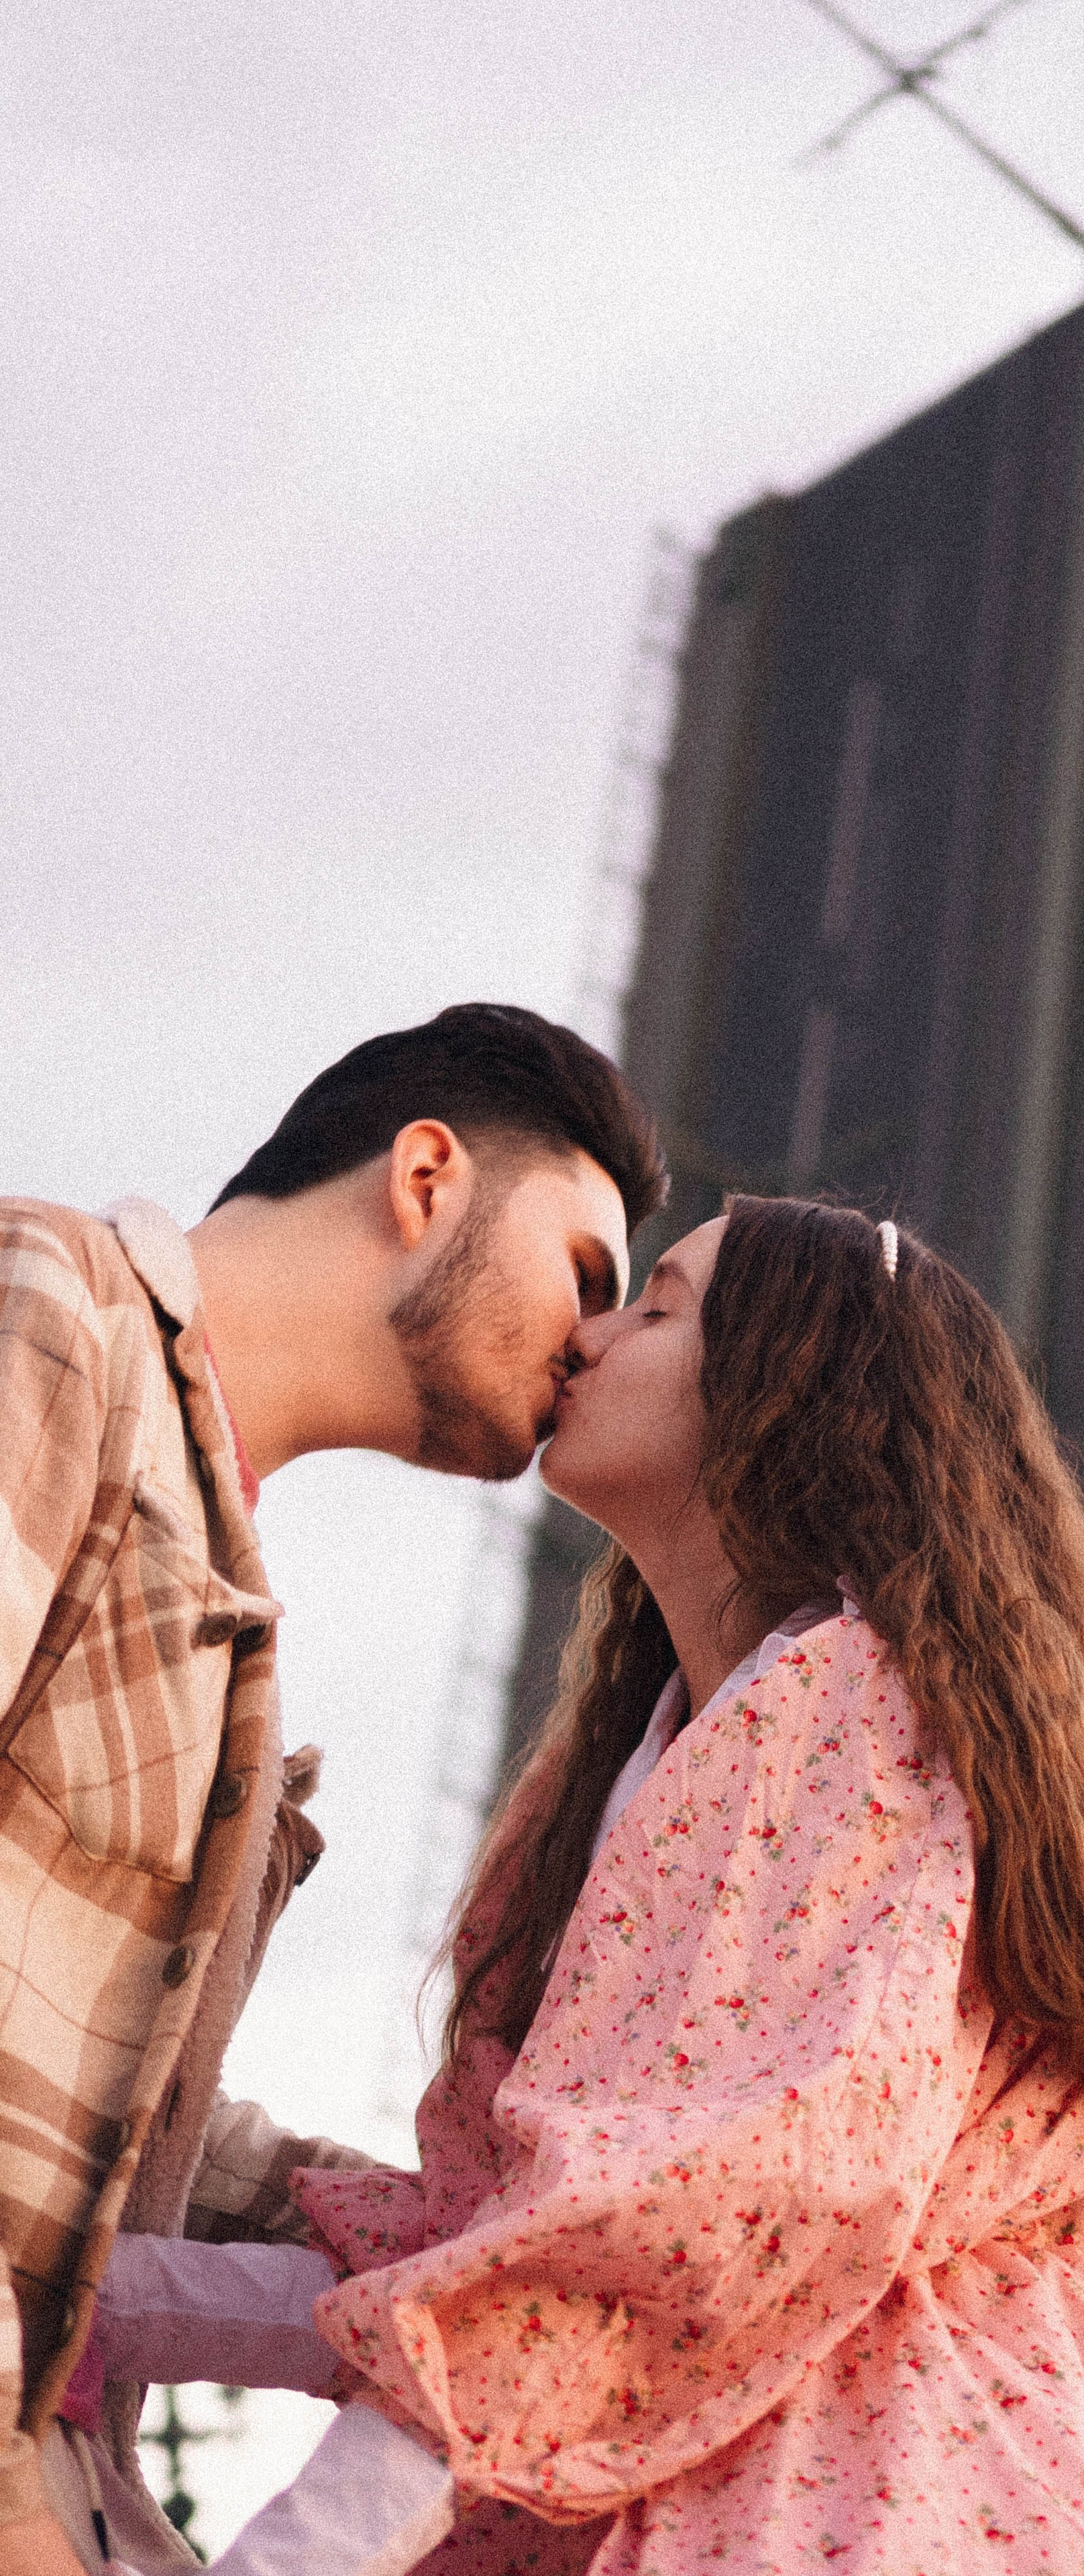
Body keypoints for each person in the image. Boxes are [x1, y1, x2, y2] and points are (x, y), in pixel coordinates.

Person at [101, 1196, 1084, 2575]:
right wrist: (93, 2305)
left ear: (790, 1387)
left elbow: (693, 2215)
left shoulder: (845, 1704)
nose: (585, 1339)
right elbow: (507, 2266)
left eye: (658, 1307)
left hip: (934, 2429)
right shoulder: (634, 1772)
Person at [0, 1003, 665, 2576]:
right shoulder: (54, 1319)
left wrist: (464, 2241)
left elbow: (129, 2117)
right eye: (584, 1271)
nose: (591, 1343)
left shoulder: (228, 1572)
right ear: (426, 1176)